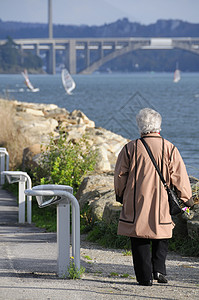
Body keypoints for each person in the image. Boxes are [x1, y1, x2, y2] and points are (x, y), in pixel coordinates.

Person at [114, 107, 194, 286]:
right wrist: (187, 199)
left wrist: (120, 195)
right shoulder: (170, 148)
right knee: (162, 231)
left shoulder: (130, 148)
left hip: (135, 201)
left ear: (140, 127)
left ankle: (144, 277)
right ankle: (159, 270)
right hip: (162, 200)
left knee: (138, 234)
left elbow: (120, 176)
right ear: (159, 127)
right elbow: (179, 176)